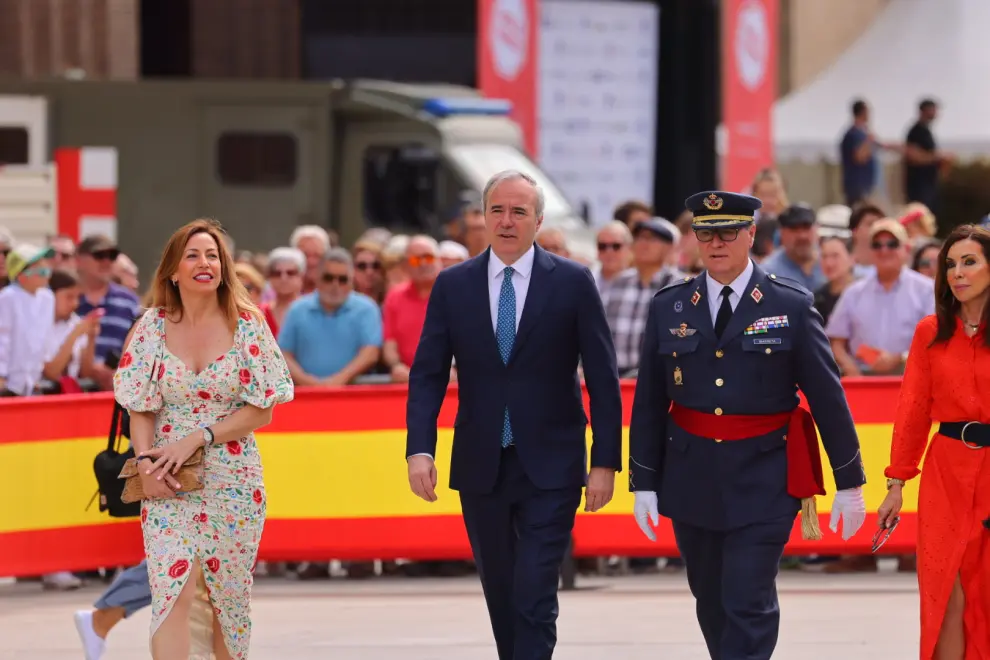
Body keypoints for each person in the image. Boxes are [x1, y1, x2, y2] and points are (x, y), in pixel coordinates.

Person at [628, 191, 868, 660]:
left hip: (764, 478)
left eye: (728, 232)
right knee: (711, 601)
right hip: (692, 475)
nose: (716, 243)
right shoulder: (670, 306)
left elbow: (827, 397)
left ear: (752, 234)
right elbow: (651, 402)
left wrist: (849, 480)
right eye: (706, 233)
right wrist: (644, 481)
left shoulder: (790, 305)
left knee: (747, 600)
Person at [405, 169, 623, 660]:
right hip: (482, 463)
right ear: (483, 217)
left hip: (552, 463)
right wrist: (420, 448)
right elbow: (428, 375)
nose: (507, 221)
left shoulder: (571, 281)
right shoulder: (452, 285)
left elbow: (603, 377)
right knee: (501, 591)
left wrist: (604, 460)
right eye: (497, 210)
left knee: (534, 589)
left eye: (519, 211)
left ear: (538, 219)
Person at [113, 218, 293, 659]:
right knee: (172, 592)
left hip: (233, 480)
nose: (204, 262)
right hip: (168, 483)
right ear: (173, 270)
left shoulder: (248, 324)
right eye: (192, 255)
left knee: (227, 604)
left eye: (212, 255)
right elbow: (140, 406)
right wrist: (144, 466)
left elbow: (263, 408)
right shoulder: (151, 327)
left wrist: (197, 437)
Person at [877, 224, 990, 659]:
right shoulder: (931, 332)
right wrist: (896, 483)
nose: (957, 273)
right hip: (946, 472)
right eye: (951, 264)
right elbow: (912, 410)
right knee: (947, 588)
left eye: (969, 262)